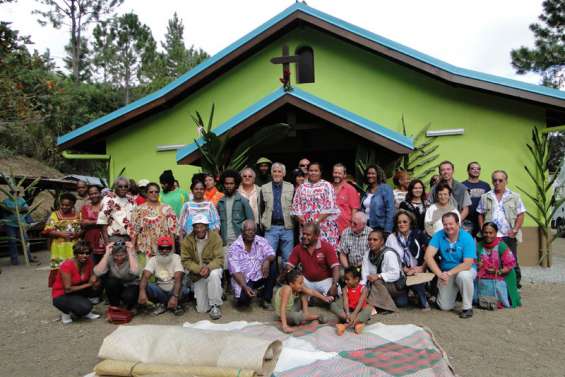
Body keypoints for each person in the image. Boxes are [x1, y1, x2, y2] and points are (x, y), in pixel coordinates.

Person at [477, 170, 526, 287]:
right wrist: (483, 231)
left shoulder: (515, 196)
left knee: (511, 261)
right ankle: (496, 284)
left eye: (500, 180)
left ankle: (515, 285)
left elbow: (521, 214)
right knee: (492, 261)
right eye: (495, 180)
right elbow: (480, 213)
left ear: (506, 181)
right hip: (491, 236)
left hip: (508, 235)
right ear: (492, 181)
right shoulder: (486, 197)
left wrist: (515, 230)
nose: (497, 182)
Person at [424, 212, 476, 318]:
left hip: (464, 270)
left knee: (463, 276)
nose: (448, 227)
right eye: (445, 224)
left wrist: (448, 273)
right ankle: (455, 293)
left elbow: (467, 264)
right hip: (446, 272)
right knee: (444, 306)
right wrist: (440, 274)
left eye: (451, 224)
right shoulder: (439, 235)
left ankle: (467, 307)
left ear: (458, 224)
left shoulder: (467, 238)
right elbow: (428, 257)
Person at [180, 214, 224, 320]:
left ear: (207, 226)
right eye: (197, 226)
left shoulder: (215, 237)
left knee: (214, 275)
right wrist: (199, 269)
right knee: (202, 309)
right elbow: (185, 260)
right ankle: (217, 291)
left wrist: (208, 267)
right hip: (197, 274)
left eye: (202, 226)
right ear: (193, 227)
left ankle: (215, 305)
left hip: (212, 270)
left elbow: (219, 258)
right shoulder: (187, 241)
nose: (200, 229)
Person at [385, 210, 430, 309]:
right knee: (401, 303)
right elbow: (389, 258)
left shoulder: (418, 234)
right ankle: (409, 292)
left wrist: (422, 267)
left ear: (410, 222)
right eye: (399, 222)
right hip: (400, 272)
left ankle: (422, 295)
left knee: (423, 303)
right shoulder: (391, 238)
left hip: (417, 271)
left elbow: (429, 253)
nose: (402, 224)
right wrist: (403, 269)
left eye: (405, 222)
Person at [228, 220, 276, 308]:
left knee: (272, 265)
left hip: (259, 274)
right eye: (248, 230)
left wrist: (267, 261)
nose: (251, 232)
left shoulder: (261, 240)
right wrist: (245, 287)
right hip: (244, 280)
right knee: (243, 303)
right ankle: (255, 292)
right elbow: (235, 272)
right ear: (242, 232)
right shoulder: (234, 247)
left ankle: (266, 299)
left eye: (253, 230)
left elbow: (271, 253)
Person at [286, 223, 340, 300]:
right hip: (306, 281)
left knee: (333, 295)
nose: (304, 236)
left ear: (316, 236)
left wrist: (335, 285)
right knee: (293, 285)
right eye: (303, 234)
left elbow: (335, 268)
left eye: (308, 235)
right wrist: (292, 277)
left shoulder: (327, 247)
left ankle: (313, 299)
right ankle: (314, 299)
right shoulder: (298, 248)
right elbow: (289, 266)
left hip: (324, 281)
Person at [51, 240, 100, 325]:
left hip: (77, 289)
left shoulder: (89, 262)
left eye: (87, 253)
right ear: (76, 253)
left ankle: (81, 310)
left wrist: (95, 278)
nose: (84, 256)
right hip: (62, 294)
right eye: (81, 253)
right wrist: (89, 284)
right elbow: (68, 289)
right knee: (86, 307)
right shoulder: (67, 265)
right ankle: (66, 312)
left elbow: (93, 276)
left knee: (98, 285)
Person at [292, 162, 340, 247]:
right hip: (306, 228)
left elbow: (329, 207)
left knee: (324, 254)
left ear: (320, 172)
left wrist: (315, 222)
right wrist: (304, 222)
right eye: (311, 170)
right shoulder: (302, 187)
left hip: (324, 228)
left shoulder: (327, 185)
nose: (313, 173)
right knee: (308, 253)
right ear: (308, 172)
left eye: (316, 170)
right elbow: (296, 207)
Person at [138, 235, 189, 316]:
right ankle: (171, 305)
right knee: (145, 286)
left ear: (171, 248)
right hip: (160, 289)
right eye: (162, 248)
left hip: (174, 288)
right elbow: (145, 276)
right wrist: (142, 292)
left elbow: (178, 279)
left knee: (184, 290)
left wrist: (175, 296)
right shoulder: (153, 259)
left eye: (168, 248)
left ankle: (166, 304)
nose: (165, 251)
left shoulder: (177, 258)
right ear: (158, 249)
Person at [476, 222, 521, 308]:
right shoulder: (478, 246)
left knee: (498, 288)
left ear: (496, 233)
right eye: (485, 232)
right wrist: (478, 264)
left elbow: (509, 265)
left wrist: (497, 271)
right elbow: (473, 262)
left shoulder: (501, 246)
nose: (488, 235)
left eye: (491, 233)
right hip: (482, 276)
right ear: (482, 233)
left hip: (500, 275)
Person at [361, 229, 407, 312]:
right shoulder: (367, 253)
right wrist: (363, 286)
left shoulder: (389, 254)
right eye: (369, 239)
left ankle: (387, 307)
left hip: (395, 285)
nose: (371, 242)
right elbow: (365, 273)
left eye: (375, 240)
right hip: (375, 285)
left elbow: (395, 274)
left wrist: (379, 276)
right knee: (364, 287)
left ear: (382, 242)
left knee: (401, 302)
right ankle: (378, 304)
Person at [274, 268, 332, 334]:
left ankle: (306, 314)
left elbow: (312, 292)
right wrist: (285, 326)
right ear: (291, 284)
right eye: (300, 283)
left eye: (302, 282)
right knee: (297, 317)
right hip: (285, 313)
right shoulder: (287, 289)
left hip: (292, 308)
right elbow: (282, 308)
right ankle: (317, 316)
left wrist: (324, 298)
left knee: (304, 293)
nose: (302, 285)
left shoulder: (297, 287)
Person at [260, 162, 295, 265]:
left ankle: (286, 280)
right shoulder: (264, 188)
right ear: (271, 173)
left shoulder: (291, 187)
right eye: (274, 171)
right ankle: (270, 281)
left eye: (279, 171)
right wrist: (263, 222)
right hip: (271, 228)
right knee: (268, 257)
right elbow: (261, 207)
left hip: (287, 227)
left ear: (283, 174)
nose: (277, 174)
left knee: (287, 258)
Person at [130, 182, 177, 258]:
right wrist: (132, 250)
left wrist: (173, 249)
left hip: (163, 249)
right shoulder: (138, 210)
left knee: (162, 270)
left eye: (156, 192)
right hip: (143, 250)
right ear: (146, 193)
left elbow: (172, 231)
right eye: (151, 192)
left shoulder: (167, 209)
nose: (154, 194)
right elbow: (134, 231)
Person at [93, 240, 139, 310]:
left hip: (131, 284)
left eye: (122, 255)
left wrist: (130, 252)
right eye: (116, 255)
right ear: (112, 254)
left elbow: (136, 272)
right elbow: (98, 272)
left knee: (128, 296)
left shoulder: (130, 256)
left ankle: (130, 305)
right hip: (117, 284)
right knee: (110, 282)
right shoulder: (110, 256)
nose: (119, 258)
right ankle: (114, 304)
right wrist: (107, 253)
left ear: (126, 254)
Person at [43, 192, 82, 271]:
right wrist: (60, 234)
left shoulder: (79, 215)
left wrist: (77, 234)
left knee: (74, 269)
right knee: (58, 270)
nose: (64, 207)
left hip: (75, 247)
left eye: (67, 205)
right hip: (58, 248)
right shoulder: (55, 215)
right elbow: (47, 230)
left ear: (73, 204)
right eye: (62, 205)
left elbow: (84, 229)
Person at [217, 170, 255, 247]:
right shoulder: (220, 202)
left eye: (231, 183)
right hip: (224, 242)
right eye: (226, 183)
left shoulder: (243, 201)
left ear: (236, 184)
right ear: (223, 184)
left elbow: (251, 222)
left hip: (240, 241)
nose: (229, 186)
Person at [331, 267, 372, 335]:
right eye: (345, 279)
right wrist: (347, 314)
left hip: (358, 312)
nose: (345, 281)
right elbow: (345, 302)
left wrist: (354, 314)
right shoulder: (345, 288)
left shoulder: (364, 289)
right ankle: (355, 323)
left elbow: (360, 303)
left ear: (356, 279)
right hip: (348, 313)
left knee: (369, 309)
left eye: (348, 279)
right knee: (333, 304)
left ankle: (345, 325)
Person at [2, 190, 37, 265]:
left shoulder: (21, 200)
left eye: (17, 193)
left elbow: (26, 209)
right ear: (10, 193)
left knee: (25, 241)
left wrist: (16, 209)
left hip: (21, 224)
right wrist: (14, 210)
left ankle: (29, 257)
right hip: (10, 224)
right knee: (12, 241)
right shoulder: (5, 201)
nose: (15, 194)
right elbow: (3, 211)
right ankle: (14, 260)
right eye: (13, 193)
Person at [97, 176, 135, 244]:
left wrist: (134, 241)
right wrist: (107, 243)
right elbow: (103, 222)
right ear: (115, 186)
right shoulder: (108, 199)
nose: (123, 188)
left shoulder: (131, 200)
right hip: (114, 238)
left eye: (125, 186)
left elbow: (136, 220)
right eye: (120, 186)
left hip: (129, 238)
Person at [361, 165, 394, 237]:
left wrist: (387, 230)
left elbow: (390, 210)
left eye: (373, 173)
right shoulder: (366, 190)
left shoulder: (385, 188)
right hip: (366, 226)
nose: (370, 175)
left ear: (378, 175)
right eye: (368, 173)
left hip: (380, 227)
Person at [462, 162, 491, 236]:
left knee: (482, 243)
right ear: (468, 171)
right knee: (467, 242)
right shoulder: (462, 185)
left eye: (478, 169)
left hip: (482, 220)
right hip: (466, 220)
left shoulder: (486, 185)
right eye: (473, 168)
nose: (476, 170)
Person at [332, 163, 360, 234]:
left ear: (344, 175)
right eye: (335, 172)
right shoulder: (328, 187)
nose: (337, 175)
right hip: (330, 228)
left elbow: (354, 210)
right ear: (332, 173)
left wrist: (353, 227)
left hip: (345, 228)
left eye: (339, 173)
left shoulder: (351, 189)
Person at [81, 185, 105, 264]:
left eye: (96, 193)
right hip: (89, 240)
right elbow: (83, 223)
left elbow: (109, 221)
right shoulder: (85, 207)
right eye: (91, 194)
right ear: (88, 195)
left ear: (100, 193)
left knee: (104, 266)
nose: (94, 195)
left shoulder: (105, 206)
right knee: (91, 265)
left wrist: (90, 222)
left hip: (104, 239)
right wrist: (100, 221)